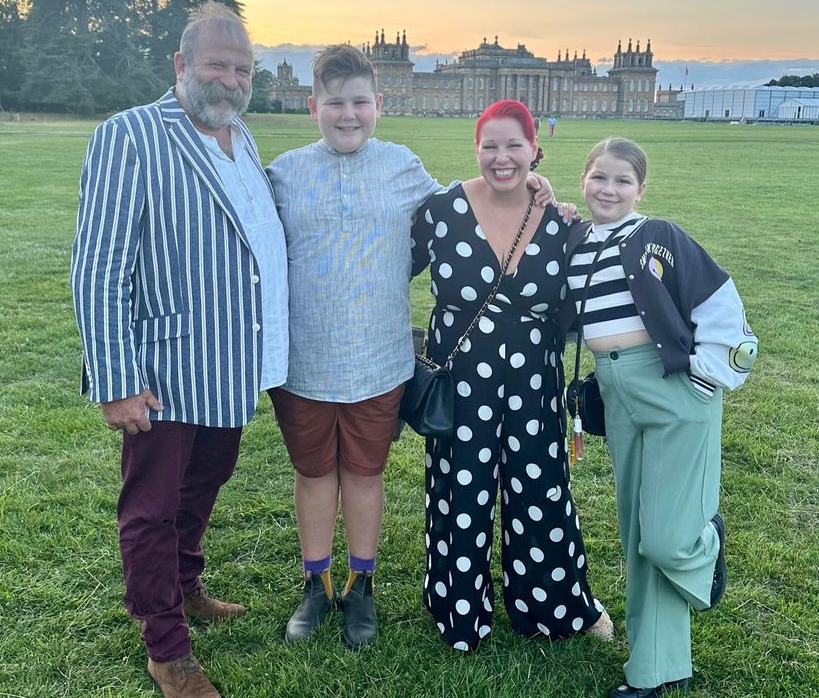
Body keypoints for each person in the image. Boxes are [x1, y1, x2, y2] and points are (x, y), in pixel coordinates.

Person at [266, 48, 555, 651]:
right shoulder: (285, 171)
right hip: (303, 362)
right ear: (313, 105)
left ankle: (361, 586)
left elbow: (467, 206)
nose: (348, 115)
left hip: (379, 360)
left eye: (360, 102)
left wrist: (533, 188)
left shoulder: (403, 167)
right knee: (314, 475)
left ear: (380, 105)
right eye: (335, 103)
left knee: (366, 476)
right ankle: (315, 586)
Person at [71, 7, 289, 698]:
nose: (229, 79)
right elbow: (98, 266)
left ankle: (186, 583)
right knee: (152, 505)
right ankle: (166, 648)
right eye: (217, 65)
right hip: (162, 371)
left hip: (230, 366)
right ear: (180, 65)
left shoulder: (242, 135)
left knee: (206, 483)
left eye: (241, 69)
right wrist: (116, 378)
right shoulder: (131, 134)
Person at [411, 100, 613, 651]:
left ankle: (552, 604)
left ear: (534, 150)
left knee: (540, 489)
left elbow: (595, 288)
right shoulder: (441, 210)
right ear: (476, 149)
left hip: (533, 380)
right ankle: (459, 606)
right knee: (461, 488)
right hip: (461, 377)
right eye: (490, 146)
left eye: (513, 146)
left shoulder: (559, 219)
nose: (502, 159)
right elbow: (385, 267)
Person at [564, 138, 758, 698]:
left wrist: (706, 372)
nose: (609, 189)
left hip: (673, 388)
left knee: (666, 540)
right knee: (637, 532)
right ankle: (655, 669)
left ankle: (705, 549)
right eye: (600, 177)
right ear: (584, 179)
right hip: (614, 390)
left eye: (623, 181)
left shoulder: (659, 236)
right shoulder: (576, 241)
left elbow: (719, 301)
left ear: (641, 189)